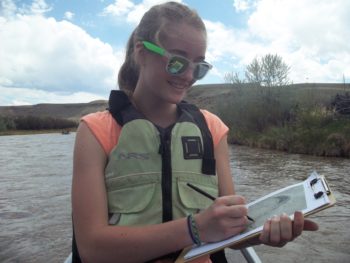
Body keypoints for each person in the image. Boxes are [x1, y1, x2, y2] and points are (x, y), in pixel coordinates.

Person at [71, 2, 318, 262]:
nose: (188, 75)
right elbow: (92, 249)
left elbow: (231, 230)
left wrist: (263, 233)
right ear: (141, 53)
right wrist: (194, 228)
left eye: (199, 66)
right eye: (177, 62)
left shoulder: (213, 129)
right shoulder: (95, 131)